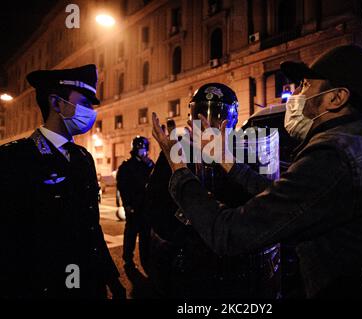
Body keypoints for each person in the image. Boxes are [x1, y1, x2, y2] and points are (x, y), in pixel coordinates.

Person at [151, 45, 362, 298]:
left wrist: (177, 168)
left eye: (305, 85)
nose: (295, 94)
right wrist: (227, 160)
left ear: (336, 98)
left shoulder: (336, 155)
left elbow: (230, 234)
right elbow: (284, 194)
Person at [0, 64, 125, 299]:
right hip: (45, 286)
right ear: (57, 103)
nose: (91, 112)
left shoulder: (83, 157)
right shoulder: (15, 159)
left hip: (88, 283)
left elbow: (91, 226)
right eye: (85, 103)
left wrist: (110, 276)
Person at [146, 83, 280, 298]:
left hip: (238, 266)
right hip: (191, 265)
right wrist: (186, 237)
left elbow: (263, 206)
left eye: (217, 116)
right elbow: (154, 204)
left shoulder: (246, 153)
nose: (207, 123)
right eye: (199, 115)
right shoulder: (177, 150)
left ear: (232, 119)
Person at [116, 136, 154, 270]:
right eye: (140, 148)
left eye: (144, 148)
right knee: (131, 234)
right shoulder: (127, 166)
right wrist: (126, 204)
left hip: (146, 207)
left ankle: (146, 260)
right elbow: (122, 186)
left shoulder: (149, 165)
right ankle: (128, 258)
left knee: (145, 236)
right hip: (133, 206)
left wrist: (149, 164)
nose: (143, 151)